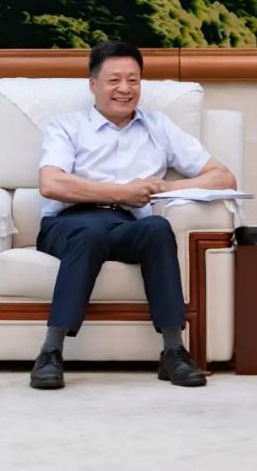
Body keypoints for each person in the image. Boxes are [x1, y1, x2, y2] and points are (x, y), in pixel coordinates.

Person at [30, 41, 237, 390]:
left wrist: (167, 188)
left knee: (157, 228)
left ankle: (173, 351)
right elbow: (51, 184)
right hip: (68, 223)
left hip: (126, 225)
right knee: (89, 234)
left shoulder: (159, 127)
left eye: (133, 80)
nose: (124, 89)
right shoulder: (67, 126)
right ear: (93, 84)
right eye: (114, 80)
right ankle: (50, 351)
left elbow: (223, 177)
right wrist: (121, 192)